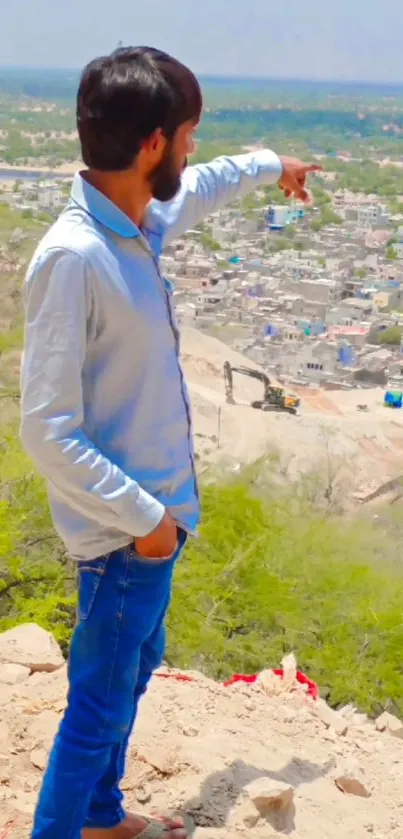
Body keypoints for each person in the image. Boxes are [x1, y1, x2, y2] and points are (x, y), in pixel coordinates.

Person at [20, 46, 319, 839]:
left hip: (155, 525)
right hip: (127, 534)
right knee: (96, 707)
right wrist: (146, 521)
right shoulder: (75, 257)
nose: (192, 151)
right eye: (185, 136)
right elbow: (46, 428)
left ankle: (101, 816)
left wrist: (273, 162)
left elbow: (211, 183)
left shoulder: (137, 220)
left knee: (130, 676)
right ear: (152, 145)